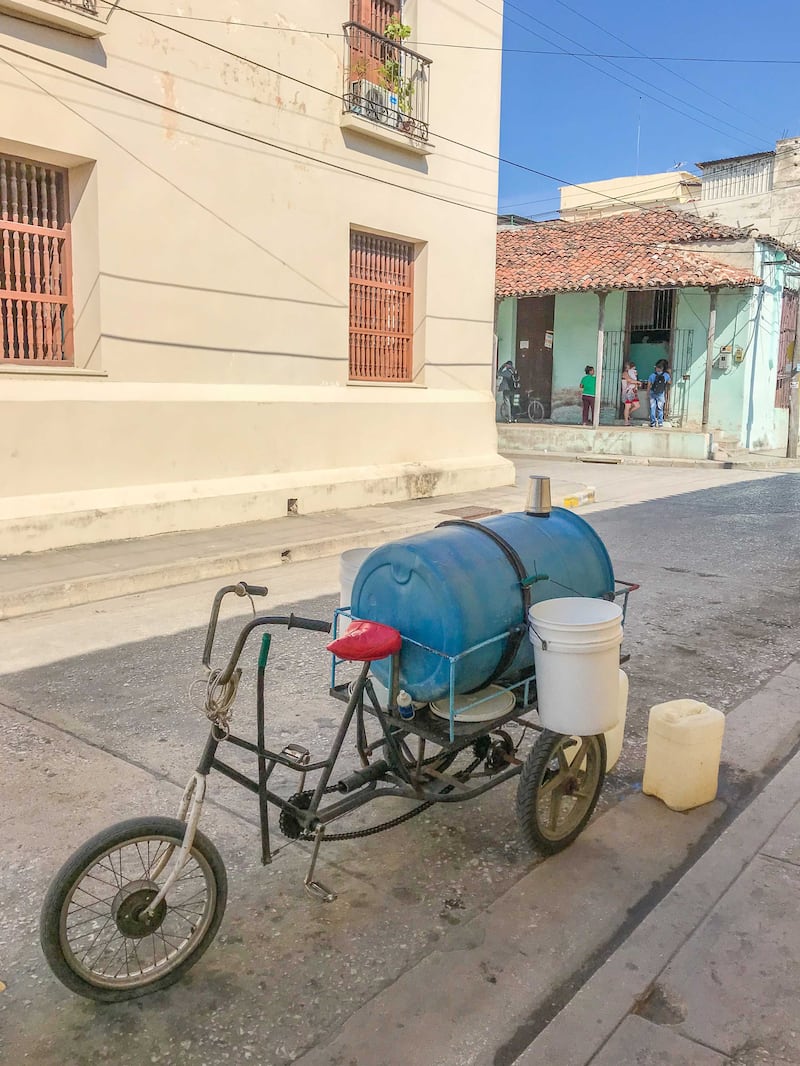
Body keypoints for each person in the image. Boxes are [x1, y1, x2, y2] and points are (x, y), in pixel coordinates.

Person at [646, 359, 671, 428]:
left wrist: (647, 393)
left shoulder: (652, 375)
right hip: (661, 394)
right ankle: (660, 423)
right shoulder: (666, 375)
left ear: (656, 368)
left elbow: (649, 385)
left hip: (652, 393)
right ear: (662, 368)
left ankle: (653, 423)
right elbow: (669, 383)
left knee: (652, 408)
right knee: (660, 408)